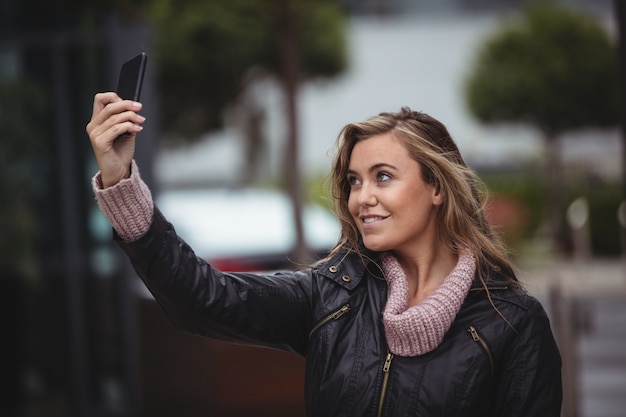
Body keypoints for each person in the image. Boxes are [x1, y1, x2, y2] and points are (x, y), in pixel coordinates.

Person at [87, 93, 562, 416]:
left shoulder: (512, 322)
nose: (361, 198)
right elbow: (203, 298)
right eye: (354, 181)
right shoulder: (332, 296)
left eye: (383, 176)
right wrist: (120, 181)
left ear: (436, 187)